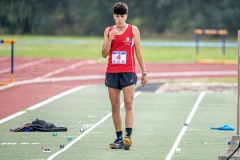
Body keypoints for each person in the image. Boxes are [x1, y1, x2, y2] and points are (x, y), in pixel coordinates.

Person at [101, 2, 148, 150]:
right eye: (117, 16)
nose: (119, 19)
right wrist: (109, 38)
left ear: (126, 16)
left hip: (128, 72)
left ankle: (128, 137)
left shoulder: (133, 30)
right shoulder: (108, 30)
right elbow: (104, 54)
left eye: (122, 16)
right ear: (113, 16)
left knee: (128, 103)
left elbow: (138, 52)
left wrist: (144, 72)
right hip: (112, 73)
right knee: (115, 106)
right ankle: (119, 138)